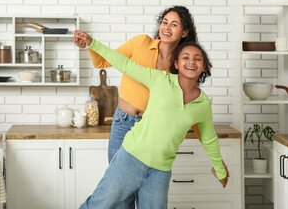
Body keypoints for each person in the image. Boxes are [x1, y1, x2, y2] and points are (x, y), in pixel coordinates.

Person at [77, 35, 229, 209]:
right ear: (176, 64)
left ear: (203, 67)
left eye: (197, 59)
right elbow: (125, 64)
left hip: (160, 170)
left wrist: (220, 169)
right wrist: (93, 43)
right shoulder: (160, 80)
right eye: (185, 57)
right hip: (130, 158)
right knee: (99, 205)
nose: (191, 62)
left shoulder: (203, 104)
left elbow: (208, 138)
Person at [74, 6, 199, 166]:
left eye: (174, 24)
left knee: (143, 180)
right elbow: (102, 62)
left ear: (184, 32)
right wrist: (89, 45)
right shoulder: (141, 42)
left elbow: (187, 104)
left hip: (151, 127)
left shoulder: (181, 64)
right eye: (165, 22)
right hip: (123, 122)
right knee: (116, 177)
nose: (167, 27)